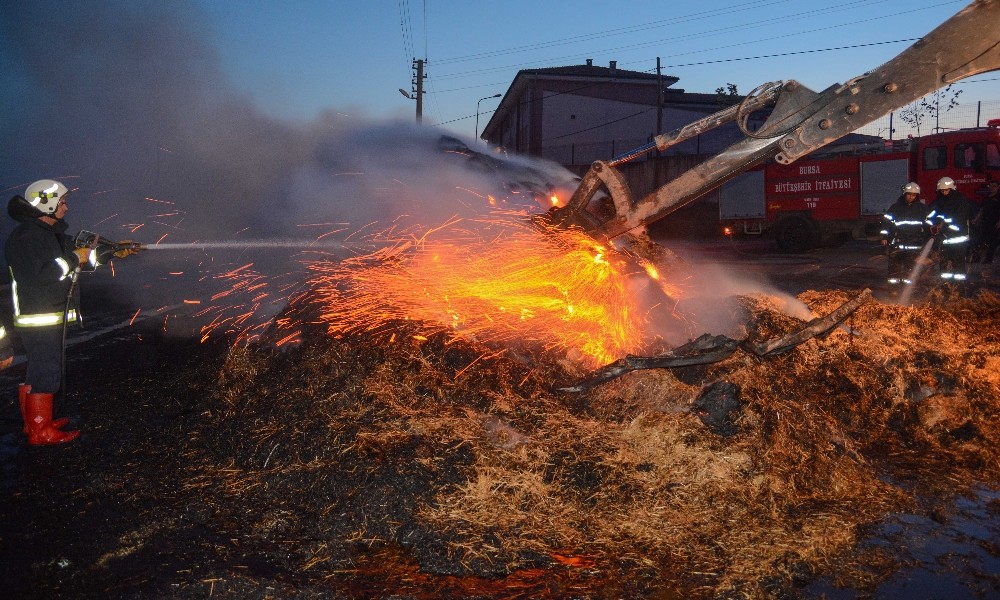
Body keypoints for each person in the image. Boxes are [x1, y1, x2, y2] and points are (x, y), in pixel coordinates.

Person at [5, 180, 138, 446]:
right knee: (47, 371)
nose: (66, 207)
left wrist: (111, 251)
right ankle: (41, 433)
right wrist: (75, 258)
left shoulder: (48, 234)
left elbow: (81, 258)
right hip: (40, 317)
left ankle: (34, 424)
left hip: (45, 315)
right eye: (62, 202)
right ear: (47, 204)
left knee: (39, 370)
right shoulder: (28, 238)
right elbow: (45, 274)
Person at [881, 182, 932, 287]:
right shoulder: (896, 207)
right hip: (898, 244)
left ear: (917, 196)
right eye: (909, 194)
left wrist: (929, 238)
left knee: (910, 269)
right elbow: (886, 223)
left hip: (914, 245)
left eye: (913, 195)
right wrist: (885, 237)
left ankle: (908, 290)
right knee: (894, 269)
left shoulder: (922, 209)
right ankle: (894, 289)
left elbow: (928, 226)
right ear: (904, 194)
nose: (911, 197)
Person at [926, 176, 975, 282]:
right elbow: (935, 215)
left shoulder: (961, 201)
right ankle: (945, 287)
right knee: (943, 264)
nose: (944, 192)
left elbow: (959, 220)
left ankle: (959, 288)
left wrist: (944, 227)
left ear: (952, 189)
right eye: (942, 190)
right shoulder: (939, 202)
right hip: (945, 239)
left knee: (958, 265)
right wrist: (936, 223)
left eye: (946, 190)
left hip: (958, 239)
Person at [972, 180, 1000, 265]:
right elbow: (982, 209)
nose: (992, 188)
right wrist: (976, 219)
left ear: (998, 187)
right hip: (985, 222)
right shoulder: (987, 196)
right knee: (980, 241)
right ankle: (976, 258)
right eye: (990, 186)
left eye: (994, 186)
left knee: (993, 242)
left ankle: (988, 259)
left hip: (995, 223)